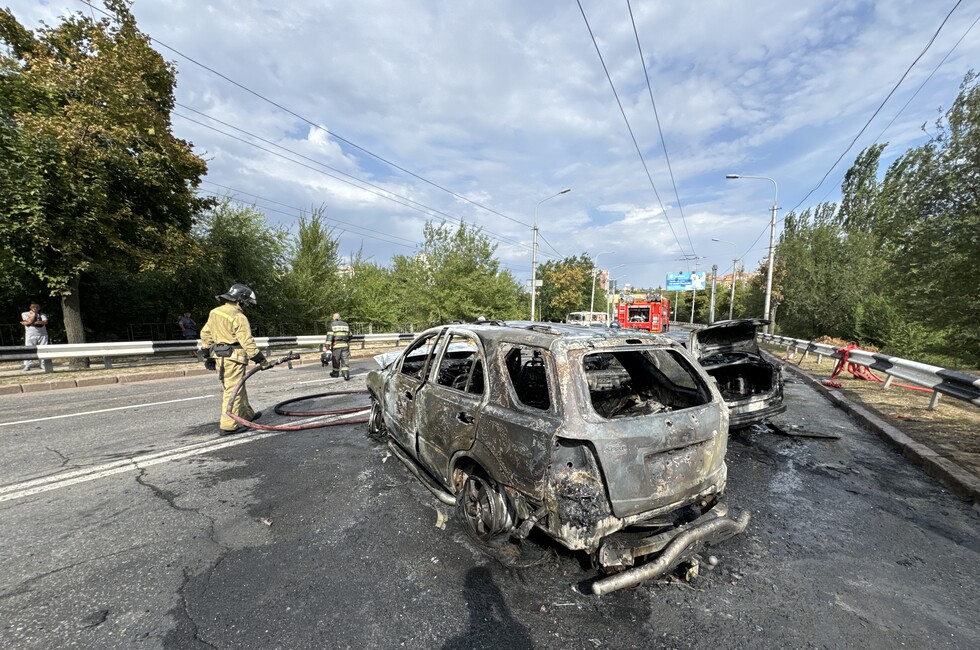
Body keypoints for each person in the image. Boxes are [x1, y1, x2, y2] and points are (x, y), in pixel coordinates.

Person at [200, 284, 268, 435]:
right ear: (240, 301)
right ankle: (228, 425)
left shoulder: (215, 312)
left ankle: (245, 414)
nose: (246, 306)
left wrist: (207, 356)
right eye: (246, 303)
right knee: (233, 390)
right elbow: (246, 341)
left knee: (238, 386)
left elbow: (205, 334)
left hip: (220, 356)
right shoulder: (239, 316)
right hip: (234, 357)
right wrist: (260, 359)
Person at [20, 302, 49, 371]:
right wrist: (33, 315)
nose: (35, 308)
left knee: (43, 350)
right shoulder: (25, 314)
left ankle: (43, 364)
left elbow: (45, 322)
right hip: (31, 335)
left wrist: (35, 322)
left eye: (37, 307)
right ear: (30, 307)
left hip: (43, 334)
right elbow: (29, 321)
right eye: (33, 307)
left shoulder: (42, 314)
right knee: (29, 350)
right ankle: (27, 365)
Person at [325, 312, 351, 380]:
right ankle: (346, 375)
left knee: (336, 360)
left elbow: (330, 336)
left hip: (336, 345)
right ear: (340, 318)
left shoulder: (332, 324)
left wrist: (327, 345)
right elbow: (350, 335)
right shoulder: (346, 324)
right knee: (345, 359)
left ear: (333, 318)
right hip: (345, 345)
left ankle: (335, 373)